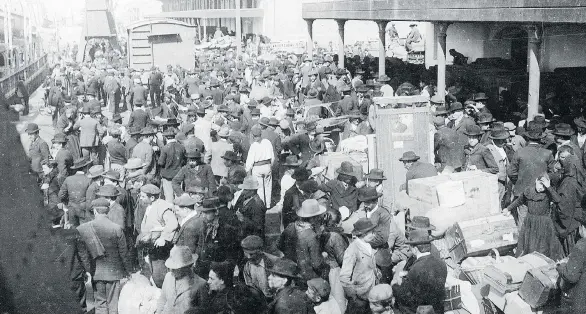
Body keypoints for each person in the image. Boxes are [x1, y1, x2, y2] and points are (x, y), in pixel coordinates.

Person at [77, 198, 132, 314]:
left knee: (100, 304)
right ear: (107, 211)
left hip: (96, 273)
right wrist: (128, 271)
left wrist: (88, 271)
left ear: (95, 211)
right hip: (114, 273)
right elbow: (124, 253)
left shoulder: (83, 229)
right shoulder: (117, 228)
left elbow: (84, 255)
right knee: (113, 304)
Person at [508, 122, 556, 229]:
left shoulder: (519, 152)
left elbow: (511, 172)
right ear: (541, 138)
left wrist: (519, 181)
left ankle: (522, 245)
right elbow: (553, 174)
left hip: (522, 192)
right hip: (541, 195)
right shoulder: (547, 153)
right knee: (539, 223)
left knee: (523, 222)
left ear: (527, 137)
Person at [504, 176, 564, 260]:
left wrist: (549, 187)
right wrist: (508, 208)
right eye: (540, 184)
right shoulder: (528, 191)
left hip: (544, 223)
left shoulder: (548, 193)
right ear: (536, 181)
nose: (541, 188)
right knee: (531, 245)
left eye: (544, 186)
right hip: (530, 222)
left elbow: (558, 200)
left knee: (543, 246)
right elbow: (519, 201)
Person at [392, 227, 447, 314]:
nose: (409, 249)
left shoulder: (416, 269)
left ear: (415, 248)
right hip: (438, 309)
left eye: (410, 246)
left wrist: (395, 286)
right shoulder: (441, 263)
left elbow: (406, 296)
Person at [137, 184, 179, 288]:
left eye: (143, 196)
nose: (140, 198)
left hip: (160, 248)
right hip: (150, 245)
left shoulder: (163, 207)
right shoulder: (150, 206)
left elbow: (173, 224)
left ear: (152, 197)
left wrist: (163, 238)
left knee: (159, 275)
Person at [278, 199, 328, 282]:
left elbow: (279, 245)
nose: (319, 218)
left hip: (292, 270)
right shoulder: (312, 236)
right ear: (313, 218)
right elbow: (316, 264)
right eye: (318, 216)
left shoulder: (290, 226)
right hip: (308, 276)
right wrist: (324, 257)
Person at [340, 218, 380, 314]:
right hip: (359, 298)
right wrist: (353, 296)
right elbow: (344, 277)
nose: (375, 234)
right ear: (364, 234)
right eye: (372, 232)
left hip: (370, 293)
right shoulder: (353, 249)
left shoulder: (368, 245)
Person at [195, 197, 240, 278]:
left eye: (207, 213)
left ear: (216, 212)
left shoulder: (227, 230)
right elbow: (200, 245)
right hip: (204, 268)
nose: (203, 216)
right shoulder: (204, 226)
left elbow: (231, 256)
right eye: (202, 213)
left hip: (219, 272)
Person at [156, 246, 209, 314]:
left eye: (176, 268)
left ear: (187, 267)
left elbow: (203, 310)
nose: (172, 270)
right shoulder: (168, 277)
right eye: (171, 267)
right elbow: (162, 299)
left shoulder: (201, 284)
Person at [554, 146, 585, 255]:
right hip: (577, 222)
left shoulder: (569, 183)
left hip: (570, 226)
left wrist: (560, 229)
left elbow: (564, 210)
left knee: (569, 253)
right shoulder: (578, 176)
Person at [557, 203, 586, 312]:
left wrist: (561, 267)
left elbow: (571, 276)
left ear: (582, 228)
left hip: (579, 299)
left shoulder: (581, 245)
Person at [246, 125, 275, 208]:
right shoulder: (267, 142)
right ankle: (268, 205)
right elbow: (272, 157)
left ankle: (261, 205)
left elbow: (250, 161)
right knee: (268, 186)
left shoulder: (253, 145)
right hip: (267, 166)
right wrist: (270, 166)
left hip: (257, 167)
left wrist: (248, 170)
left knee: (259, 187)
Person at [59, 157, 93, 226]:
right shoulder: (88, 180)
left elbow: (61, 195)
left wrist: (67, 202)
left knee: (73, 231)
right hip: (83, 209)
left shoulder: (68, 179)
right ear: (85, 167)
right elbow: (90, 197)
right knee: (84, 231)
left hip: (71, 208)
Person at [158, 127, 186, 201]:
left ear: (166, 138)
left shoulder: (165, 148)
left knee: (169, 195)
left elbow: (161, 162)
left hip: (167, 175)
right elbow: (185, 160)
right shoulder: (181, 147)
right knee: (178, 194)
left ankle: (170, 211)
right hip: (179, 174)